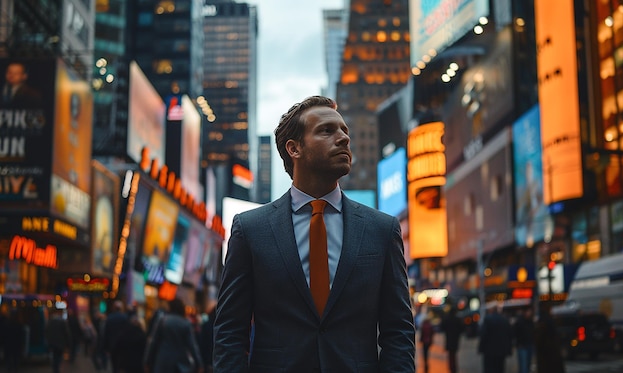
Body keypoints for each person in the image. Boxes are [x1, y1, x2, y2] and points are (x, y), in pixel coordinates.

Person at [213, 95, 416, 372]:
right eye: (326, 130)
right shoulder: (250, 229)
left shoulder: (382, 229)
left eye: (345, 130)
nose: (344, 138)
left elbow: (399, 332)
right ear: (294, 149)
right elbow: (230, 332)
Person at [144, 297, 203, 373]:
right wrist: (199, 364)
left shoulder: (162, 320)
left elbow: (153, 342)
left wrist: (147, 361)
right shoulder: (185, 324)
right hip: (180, 363)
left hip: (163, 361)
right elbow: (192, 346)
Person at [478, 303, 513, 373]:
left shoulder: (488, 320)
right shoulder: (504, 320)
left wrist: (481, 348)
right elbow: (509, 335)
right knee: (500, 369)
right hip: (501, 351)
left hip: (489, 351)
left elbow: (483, 335)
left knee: (489, 369)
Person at [533, 306, 565, 373]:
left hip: (545, 354)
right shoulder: (550, 322)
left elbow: (538, 340)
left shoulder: (542, 323)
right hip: (552, 353)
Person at [103, 300, 130, 373]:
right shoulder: (125, 317)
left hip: (112, 346)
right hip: (123, 346)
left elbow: (106, 333)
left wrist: (105, 347)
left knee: (114, 366)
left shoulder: (110, 318)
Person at [45, 308, 71, 373]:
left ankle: (55, 369)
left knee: (54, 357)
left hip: (53, 343)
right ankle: (57, 369)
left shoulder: (50, 321)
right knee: (59, 357)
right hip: (60, 343)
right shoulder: (62, 322)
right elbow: (66, 333)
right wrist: (68, 344)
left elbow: (46, 332)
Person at [440, 307, 465, 373]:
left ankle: (451, 368)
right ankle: (454, 368)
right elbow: (462, 328)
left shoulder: (447, 319)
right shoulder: (457, 320)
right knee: (453, 355)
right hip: (455, 339)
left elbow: (442, 327)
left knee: (451, 355)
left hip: (449, 339)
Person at [513, 307, 534, 373]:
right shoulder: (520, 321)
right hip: (522, 345)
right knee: (524, 366)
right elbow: (515, 333)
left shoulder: (530, 321)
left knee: (527, 364)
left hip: (528, 344)